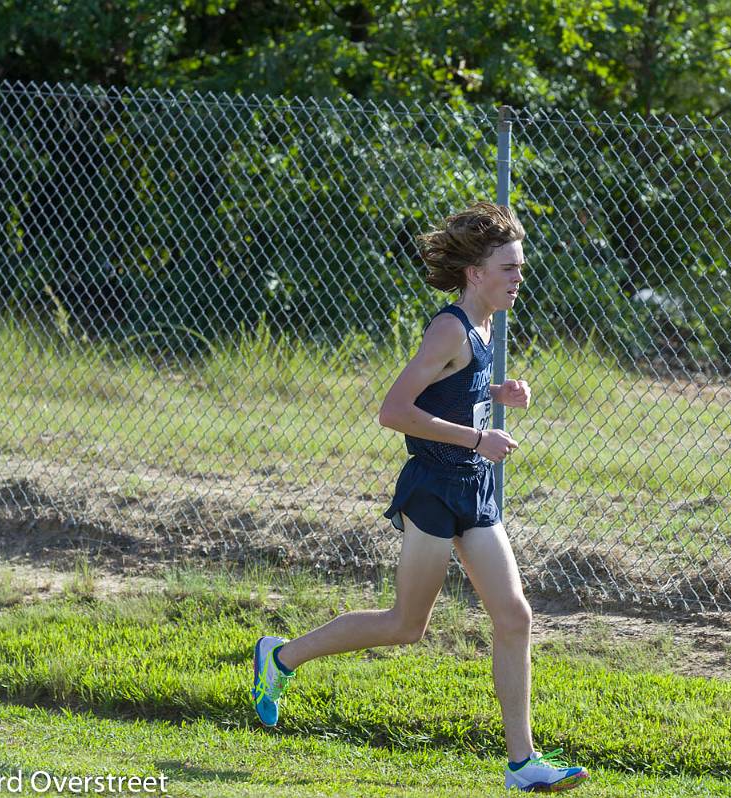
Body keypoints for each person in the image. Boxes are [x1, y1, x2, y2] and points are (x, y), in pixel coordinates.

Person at [251, 201, 589, 793]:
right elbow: (394, 411)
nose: (518, 278)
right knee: (407, 625)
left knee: (514, 616)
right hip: (433, 489)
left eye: (521, 267)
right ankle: (280, 658)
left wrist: (496, 394)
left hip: (473, 489)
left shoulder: (484, 327)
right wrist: (478, 435)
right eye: (508, 268)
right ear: (475, 274)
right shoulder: (449, 326)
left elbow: (451, 387)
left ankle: (522, 765)